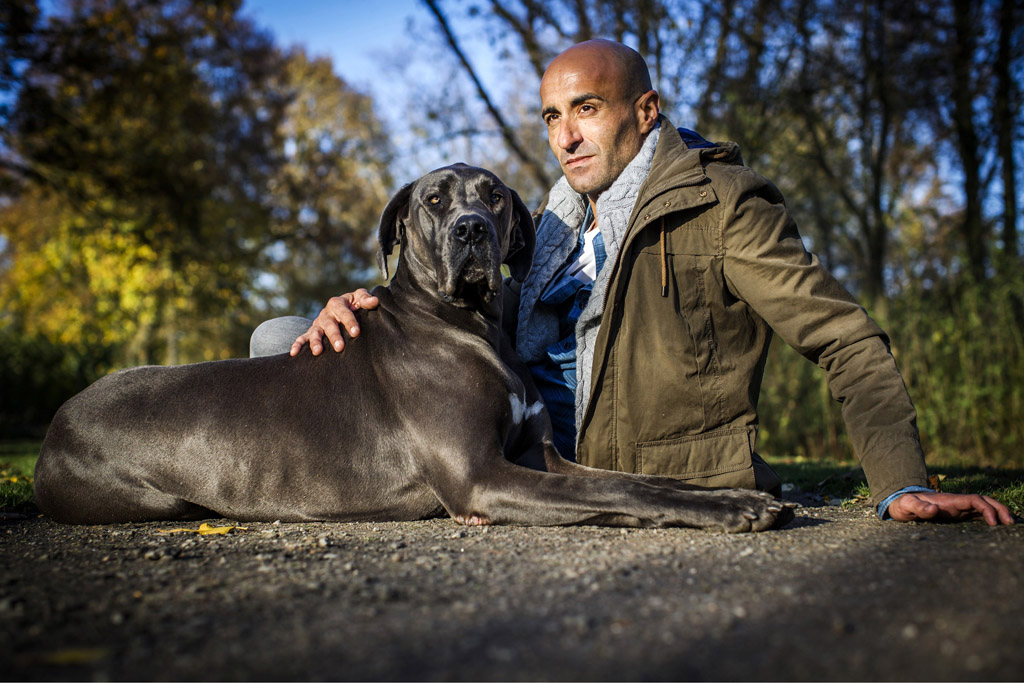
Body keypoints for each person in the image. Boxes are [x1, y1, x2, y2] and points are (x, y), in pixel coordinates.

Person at [251, 40, 1013, 526]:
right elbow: (458, 314)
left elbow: (842, 336)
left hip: (615, 459)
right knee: (282, 338)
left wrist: (899, 483)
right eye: (552, 116)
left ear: (645, 111)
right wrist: (366, 302)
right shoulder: (544, 223)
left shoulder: (721, 204)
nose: (565, 136)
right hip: (498, 428)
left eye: (587, 108)